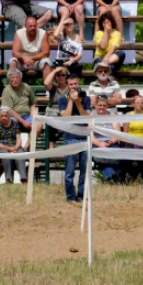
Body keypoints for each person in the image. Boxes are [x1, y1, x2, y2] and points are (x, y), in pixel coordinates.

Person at [59, 74, 92, 202]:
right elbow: (66, 116)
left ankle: (82, 194)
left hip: (84, 137)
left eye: (75, 84)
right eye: (71, 84)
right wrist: (71, 101)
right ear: (67, 86)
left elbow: (86, 116)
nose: (73, 87)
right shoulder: (62, 100)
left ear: (78, 83)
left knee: (84, 170)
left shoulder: (86, 99)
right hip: (70, 138)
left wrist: (78, 102)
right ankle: (70, 196)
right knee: (69, 171)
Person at [122, 94, 143, 185]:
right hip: (130, 140)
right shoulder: (128, 115)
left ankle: (142, 177)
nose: (140, 104)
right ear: (133, 104)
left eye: (141, 103)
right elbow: (125, 132)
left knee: (142, 157)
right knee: (126, 157)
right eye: (137, 103)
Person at [91, 95, 122, 183]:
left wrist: (109, 143)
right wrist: (100, 144)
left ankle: (111, 177)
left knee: (116, 155)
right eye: (100, 105)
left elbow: (117, 134)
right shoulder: (91, 116)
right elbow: (90, 135)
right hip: (96, 143)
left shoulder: (112, 116)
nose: (102, 107)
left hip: (112, 143)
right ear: (95, 105)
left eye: (104, 105)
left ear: (107, 106)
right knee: (101, 157)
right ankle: (114, 177)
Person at [0, 106, 27, 184]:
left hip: (14, 145)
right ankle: (8, 179)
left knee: (20, 154)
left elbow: (19, 139)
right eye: (2, 116)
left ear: (9, 116)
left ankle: (23, 179)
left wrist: (15, 148)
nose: (4, 118)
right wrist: (9, 148)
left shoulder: (15, 123)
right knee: (6, 155)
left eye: (6, 116)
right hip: (1, 146)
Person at [1, 68, 40, 137]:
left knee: (39, 125)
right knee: (11, 123)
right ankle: (14, 146)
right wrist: (23, 122)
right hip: (13, 117)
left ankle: (27, 147)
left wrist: (32, 114)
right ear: (9, 79)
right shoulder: (6, 90)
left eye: (17, 77)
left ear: (21, 78)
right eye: (12, 77)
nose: (15, 80)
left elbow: (33, 102)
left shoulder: (26, 87)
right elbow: (10, 110)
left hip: (27, 115)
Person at [43, 66, 70, 149]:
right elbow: (46, 83)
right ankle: (51, 145)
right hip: (53, 114)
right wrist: (55, 71)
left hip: (66, 114)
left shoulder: (70, 88)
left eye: (63, 75)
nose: (61, 77)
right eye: (58, 75)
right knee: (50, 119)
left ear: (67, 76)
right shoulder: (53, 88)